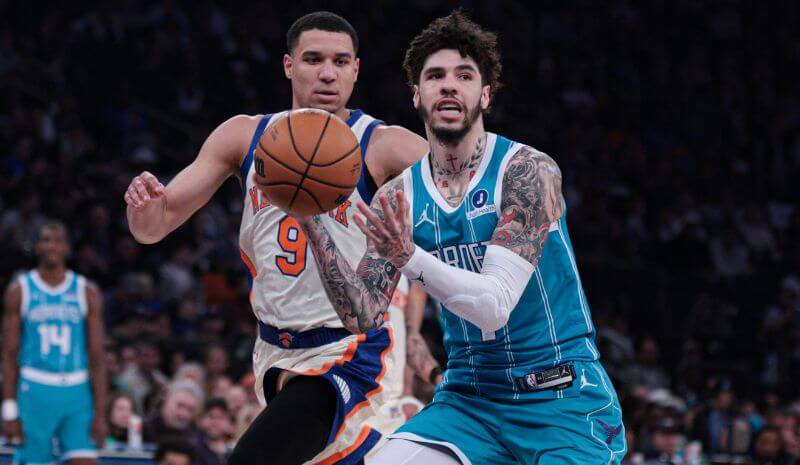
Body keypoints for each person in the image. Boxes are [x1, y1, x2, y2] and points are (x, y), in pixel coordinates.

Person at [295, 10, 626, 464]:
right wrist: (312, 219)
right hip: (469, 399)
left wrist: (409, 257)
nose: (449, 85)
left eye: (464, 75)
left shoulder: (528, 171)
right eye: (435, 76)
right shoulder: (399, 195)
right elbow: (363, 314)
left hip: (559, 394)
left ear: (484, 95)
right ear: (416, 95)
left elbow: (492, 308)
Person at [124, 11, 429, 465]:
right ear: (288, 65)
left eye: (341, 62)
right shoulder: (244, 136)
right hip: (273, 349)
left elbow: (470, 194)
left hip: (350, 351)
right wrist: (143, 207)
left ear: (356, 70)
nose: (328, 73)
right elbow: (152, 229)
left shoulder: (384, 146)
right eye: (313, 59)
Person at [1, 221, 108, 464]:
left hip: (77, 390)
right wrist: (9, 409)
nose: (52, 246)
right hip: (34, 388)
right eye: (46, 240)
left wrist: (100, 414)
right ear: (37, 246)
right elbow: (9, 355)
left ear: (68, 248)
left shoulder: (86, 291)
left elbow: (97, 357)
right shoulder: (20, 290)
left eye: (58, 240)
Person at [143, 380, 204, 444]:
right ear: (166, 400)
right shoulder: (144, 429)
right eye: (180, 405)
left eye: (190, 409)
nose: (183, 414)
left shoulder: (193, 439)